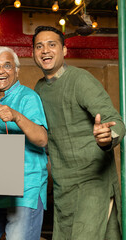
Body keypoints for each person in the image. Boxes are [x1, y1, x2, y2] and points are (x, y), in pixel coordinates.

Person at [32, 25, 125, 239]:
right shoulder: (39, 89)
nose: (45, 50)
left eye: (52, 44)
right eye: (39, 46)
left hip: (93, 180)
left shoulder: (80, 80)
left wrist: (107, 137)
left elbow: (115, 121)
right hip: (63, 185)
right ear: (34, 54)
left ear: (64, 51)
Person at [0, 46, 48, 240]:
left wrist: (15, 116)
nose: (1, 71)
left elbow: (42, 139)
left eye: (7, 65)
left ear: (16, 70)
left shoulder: (29, 97)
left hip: (24, 190)